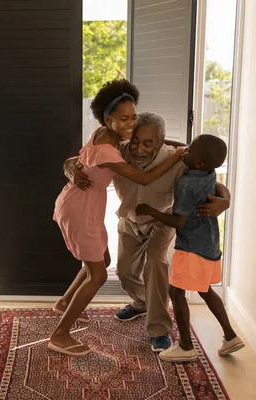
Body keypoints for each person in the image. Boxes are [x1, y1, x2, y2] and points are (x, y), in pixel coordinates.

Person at [62, 111, 231, 353]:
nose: (139, 149)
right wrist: (69, 168)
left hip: (160, 220)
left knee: (155, 265)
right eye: (136, 141)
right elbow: (79, 160)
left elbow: (213, 182)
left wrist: (225, 200)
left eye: (148, 143)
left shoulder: (178, 159)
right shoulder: (117, 151)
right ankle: (142, 302)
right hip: (129, 219)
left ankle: (160, 329)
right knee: (125, 271)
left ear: (161, 142)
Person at [49, 79, 186, 356]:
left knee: (111, 262)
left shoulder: (105, 134)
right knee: (101, 273)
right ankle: (60, 335)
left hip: (92, 205)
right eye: (124, 119)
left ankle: (66, 303)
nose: (131, 125)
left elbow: (80, 159)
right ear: (108, 119)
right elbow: (143, 177)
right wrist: (178, 155)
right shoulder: (112, 150)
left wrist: (173, 146)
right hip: (82, 208)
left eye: (133, 117)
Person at [136, 134, 244, 362]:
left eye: (190, 150)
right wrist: (171, 144)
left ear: (199, 162)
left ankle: (186, 346)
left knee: (176, 291)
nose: (184, 151)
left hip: (191, 246)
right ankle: (231, 335)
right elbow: (184, 150)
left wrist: (150, 210)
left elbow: (178, 222)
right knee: (205, 289)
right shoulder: (208, 172)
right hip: (210, 243)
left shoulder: (186, 184)